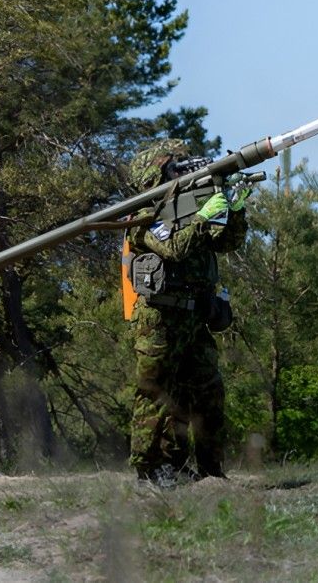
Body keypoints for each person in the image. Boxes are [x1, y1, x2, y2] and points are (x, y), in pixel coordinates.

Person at [124, 139, 250, 485]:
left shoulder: (189, 208)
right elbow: (175, 248)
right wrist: (202, 216)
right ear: (155, 177)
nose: (180, 173)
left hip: (195, 318)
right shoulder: (145, 218)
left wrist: (234, 210)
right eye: (172, 169)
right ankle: (152, 469)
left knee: (208, 390)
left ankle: (210, 470)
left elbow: (226, 242)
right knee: (157, 396)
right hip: (160, 323)